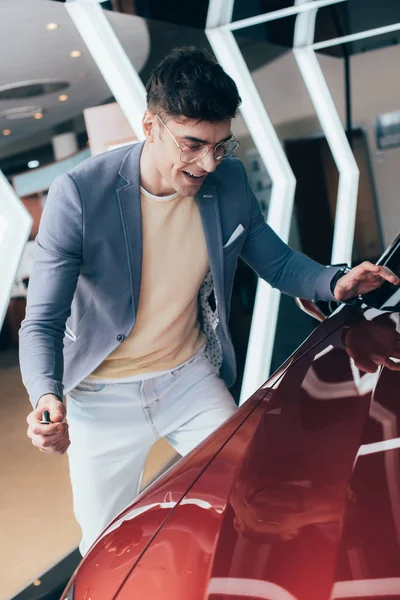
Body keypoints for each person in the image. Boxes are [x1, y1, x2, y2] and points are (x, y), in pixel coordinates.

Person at [20, 46, 400, 555]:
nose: (207, 162)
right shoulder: (80, 195)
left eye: (221, 145)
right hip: (100, 400)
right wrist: (47, 395)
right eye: (194, 143)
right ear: (150, 126)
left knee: (250, 488)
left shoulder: (228, 181)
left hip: (188, 378)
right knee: (106, 547)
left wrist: (335, 283)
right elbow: (42, 319)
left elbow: (278, 261)